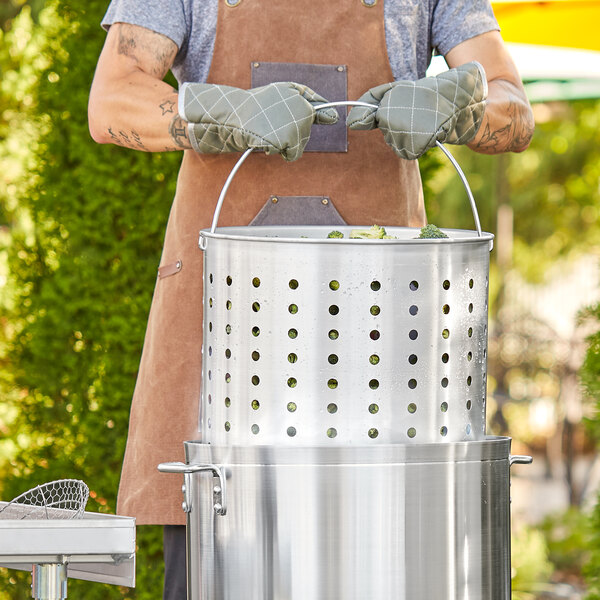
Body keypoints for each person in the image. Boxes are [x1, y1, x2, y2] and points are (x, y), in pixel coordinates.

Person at [88, 1, 534, 598]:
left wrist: (458, 104)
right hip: (225, 347)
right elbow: (112, 99)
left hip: (380, 352)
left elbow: (513, 107)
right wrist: (225, 111)